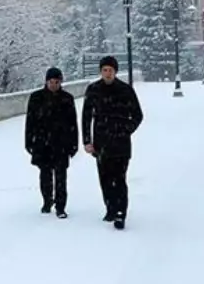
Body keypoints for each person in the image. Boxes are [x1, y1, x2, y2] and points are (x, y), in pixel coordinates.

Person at [82, 55, 143, 230]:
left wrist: (125, 130)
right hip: (101, 143)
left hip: (121, 144)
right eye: (105, 70)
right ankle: (110, 208)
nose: (108, 73)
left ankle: (120, 213)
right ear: (101, 71)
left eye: (111, 70)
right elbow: (86, 117)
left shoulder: (125, 90)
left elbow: (138, 115)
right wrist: (87, 140)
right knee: (105, 179)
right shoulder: (93, 89)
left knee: (120, 179)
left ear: (116, 71)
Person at [25, 67, 79, 219]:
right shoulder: (36, 98)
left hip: (61, 143)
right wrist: (29, 141)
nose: (54, 84)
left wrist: (73, 144)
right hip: (42, 143)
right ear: (46, 81)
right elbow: (30, 122)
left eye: (57, 81)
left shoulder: (67, 99)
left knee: (61, 176)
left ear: (61, 82)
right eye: (51, 81)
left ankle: (61, 206)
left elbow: (72, 123)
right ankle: (47, 201)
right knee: (45, 175)